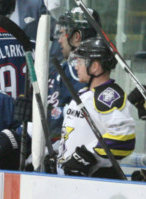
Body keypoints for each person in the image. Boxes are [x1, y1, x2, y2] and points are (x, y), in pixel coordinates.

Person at [57, 38, 135, 179]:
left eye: (80, 62)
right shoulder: (85, 94)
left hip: (97, 182)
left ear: (94, 67)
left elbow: (124, 139)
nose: (76, 67)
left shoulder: (108, 96)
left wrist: (87, 157)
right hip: (72, 181)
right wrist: (61, 157)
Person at [46, 6, 101, 140]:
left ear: (76, 37)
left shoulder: (79, 74)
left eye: (63, 33)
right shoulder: (65, 68)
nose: (59, 40)